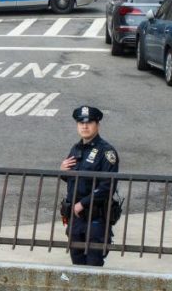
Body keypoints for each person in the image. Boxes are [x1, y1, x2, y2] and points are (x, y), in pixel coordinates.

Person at [60, 106, 119, 267]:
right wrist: (62, 171)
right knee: (77, 264)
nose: (84, 126)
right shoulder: (76, 149)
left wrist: (83, 203)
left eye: (89, 122)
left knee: (93, 265)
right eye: (81, 123)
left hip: (96, 219)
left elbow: (108, 186)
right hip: (76, 219)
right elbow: (73, 180)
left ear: (97, 125)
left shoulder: (106, 152)